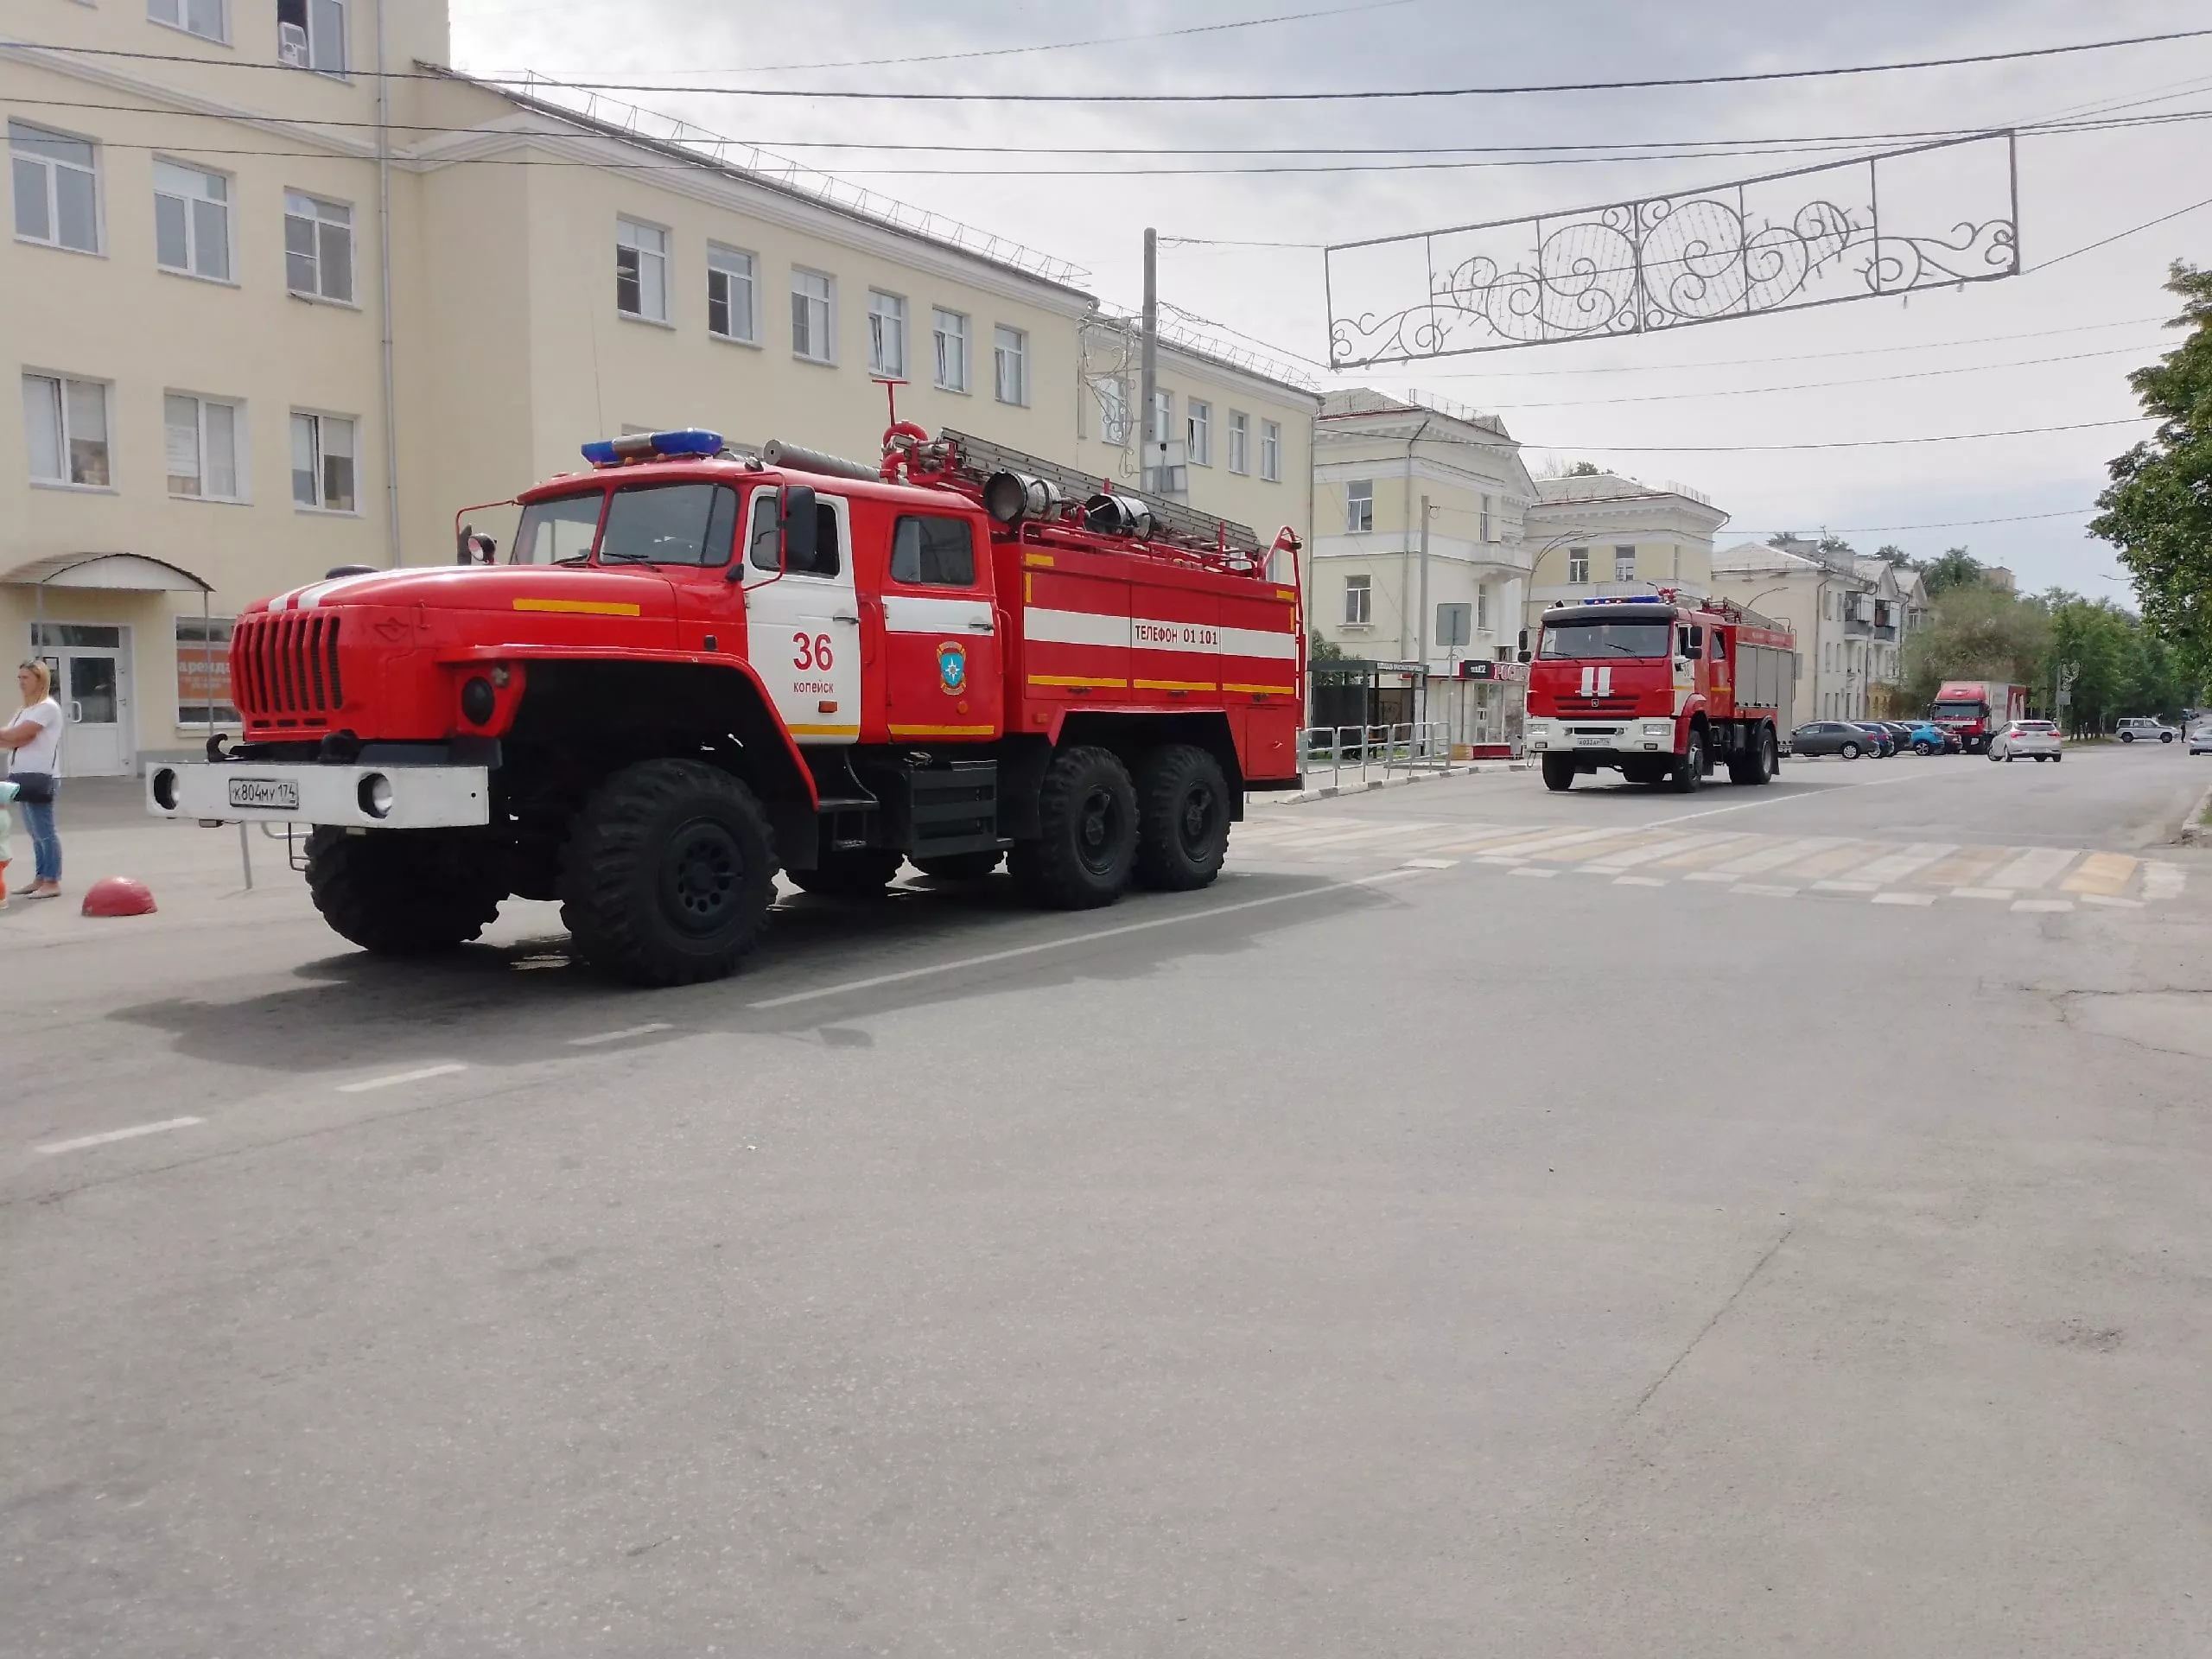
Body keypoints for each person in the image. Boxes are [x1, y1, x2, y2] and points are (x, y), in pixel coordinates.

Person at [2, 659, 64, 900]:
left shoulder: (47, 707)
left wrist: (13, 737)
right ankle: (40, 878)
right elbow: (14, 739)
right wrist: (13, 737)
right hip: (21, 777)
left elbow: (18, 735)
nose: (20, 682)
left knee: (45, 830)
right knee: (34, 831)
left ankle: (52, 881)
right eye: (19, 678)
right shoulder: (24, 710)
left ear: (40, 680)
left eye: (25, 678)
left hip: (41, 777)